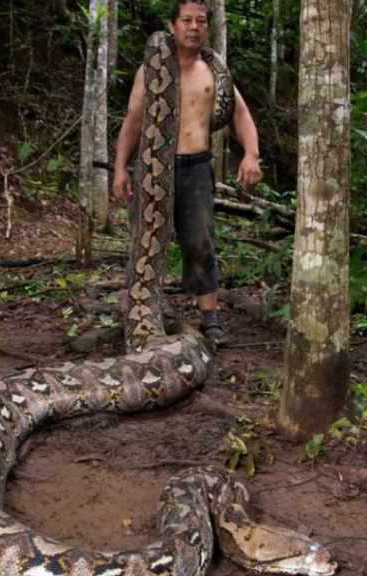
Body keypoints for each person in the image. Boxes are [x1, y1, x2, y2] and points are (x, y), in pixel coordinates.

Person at [112, 0, 263, 346]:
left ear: (207, 26)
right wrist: (121, 167)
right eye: (186, 20)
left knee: (200, 242)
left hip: (195, 168)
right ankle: (144, 314)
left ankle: (209, 317)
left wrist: (251, 154)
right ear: (172, 26)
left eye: (201, 21)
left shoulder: (213, 71)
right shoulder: (149, 71)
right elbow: (134, 121)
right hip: (153, 167)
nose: (194, 27)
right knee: (146, 242)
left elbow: (241, 115)